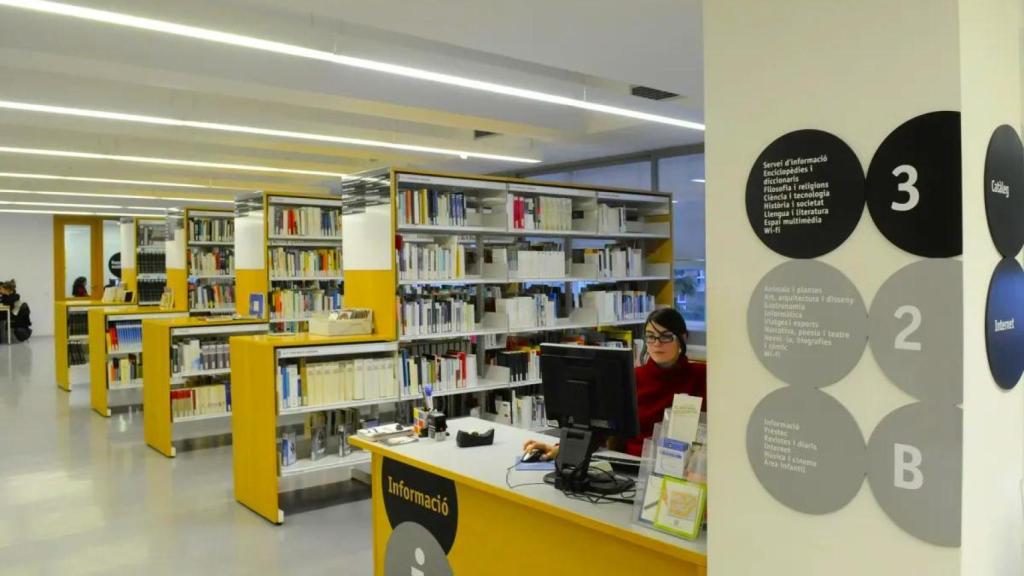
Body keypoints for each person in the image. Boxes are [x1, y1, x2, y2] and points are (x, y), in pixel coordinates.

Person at [522, 307, 706, 459]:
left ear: (683, 338)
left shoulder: (702, 377)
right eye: (650, 336)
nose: (656, 343)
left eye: (665, 336)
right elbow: (600, 425)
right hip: (632, 465)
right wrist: (561, 448)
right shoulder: (632, 377)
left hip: (684, 470)